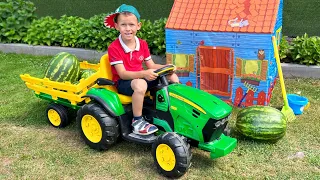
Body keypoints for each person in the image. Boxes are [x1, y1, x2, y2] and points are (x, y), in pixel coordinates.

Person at [104, 4, 179, 136]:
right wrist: (144, 74)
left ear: (138, 26)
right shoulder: (114, 48)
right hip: (124, 82)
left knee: (171, 77)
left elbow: (151, 65)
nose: (128, 29)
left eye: (131, 25)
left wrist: (167, 67)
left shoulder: (142, 44)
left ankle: (175, 107)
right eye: (123, 25)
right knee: (141, 84)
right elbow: (122, 74)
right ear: (117, 26)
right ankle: (137, 121)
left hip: (140, 77)